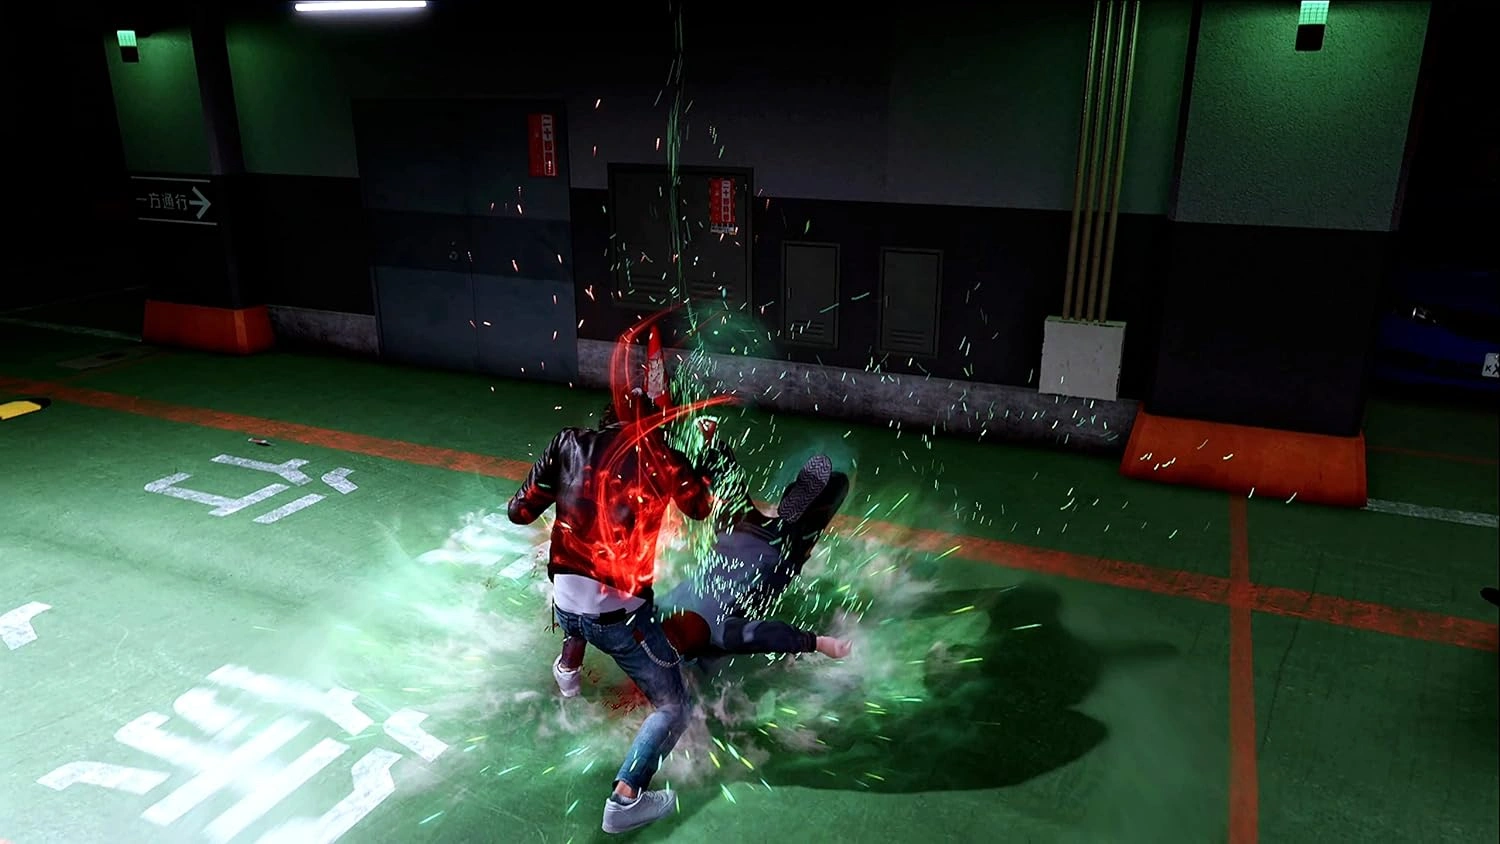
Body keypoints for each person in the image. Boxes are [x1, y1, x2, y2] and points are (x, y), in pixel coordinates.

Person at [507, 388, 716, 834]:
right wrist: (704, 454)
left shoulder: (568, 442)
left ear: (606, 420)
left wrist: (562, 486)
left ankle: (568, 672)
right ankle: (625, 799)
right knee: (674, 706)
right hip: (620, 623)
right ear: (654, 428)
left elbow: (519, 512)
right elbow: (700, 507)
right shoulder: (664, 459)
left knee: (579, 605)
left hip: (564, 605)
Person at [657, 447, 854, 667]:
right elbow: (772, 636)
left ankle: (713, 450)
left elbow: (771, 636)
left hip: (759, 543)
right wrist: (817, 643)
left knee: (719, 466)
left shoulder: (712, 629)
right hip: (746, 538)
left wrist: (819, 643)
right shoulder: (676, 613)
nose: (671, 635)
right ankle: (713, 449)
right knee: (729, 486)